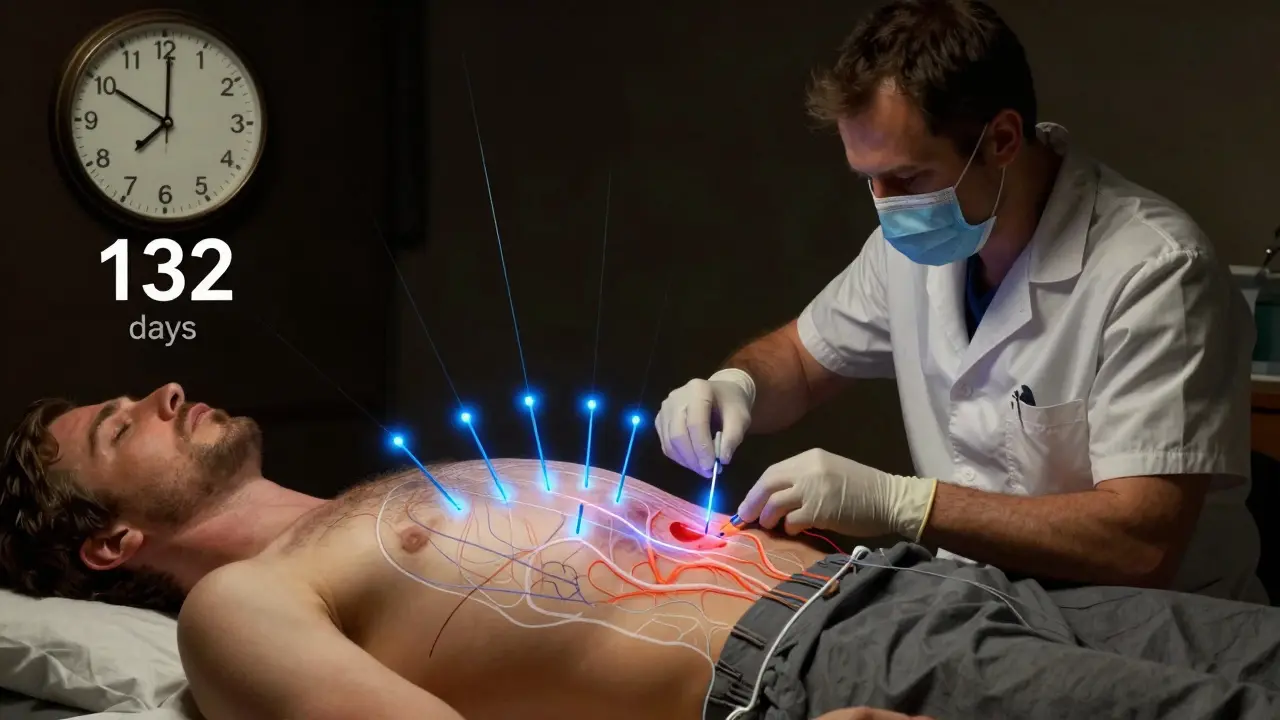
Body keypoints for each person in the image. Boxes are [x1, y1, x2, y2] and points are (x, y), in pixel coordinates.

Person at [5, 384, 1280, 720]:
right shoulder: (238, 606)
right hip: (812, 666)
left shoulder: (367, 497)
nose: (161, 392)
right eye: (120, 427)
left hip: (902, 588)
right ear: (112, 544)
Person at [655, 0, 1263, 603]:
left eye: (907, 178)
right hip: (985, 611)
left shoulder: (1157, 272)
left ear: (1001, 139)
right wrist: (736, 386)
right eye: (869, 179)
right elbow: (799, 360)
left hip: (1152, 629)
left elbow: (1140, 545)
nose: (886, 205)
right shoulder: (913, 247)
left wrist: (904, 504)